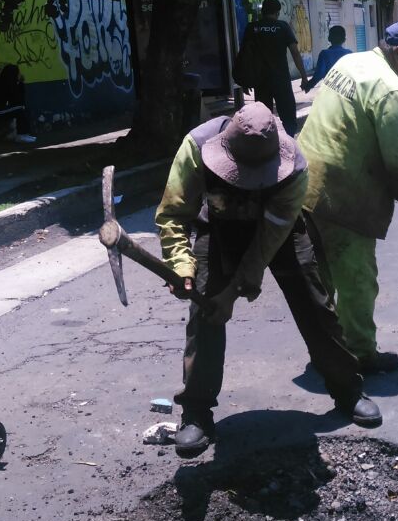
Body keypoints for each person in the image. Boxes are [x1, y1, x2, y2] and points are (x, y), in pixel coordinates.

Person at [155, 102, 382, 458]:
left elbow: (267, 240)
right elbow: (173, 213)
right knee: (206, 310)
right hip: (219, 225)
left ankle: (348, 389)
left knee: (315, 303)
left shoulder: (295, 168)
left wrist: (236, 288)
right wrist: (182, 266)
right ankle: (196, 411)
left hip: (279, 230)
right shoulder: (196, 147)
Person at [296, 22, 398, 375]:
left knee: (322, 276)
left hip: (305, 183)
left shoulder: (351, 62)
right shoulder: (390, 92)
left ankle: (326, 349)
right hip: (344, 196)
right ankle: (360, 354)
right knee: (356, 280)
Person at [241, 0, 308, 136]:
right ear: (277, 12)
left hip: (260, 81)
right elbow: (295, 53)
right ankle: (289, 142)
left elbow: (245, 55)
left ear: (262, 11)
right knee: (288, 118)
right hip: (281, 80)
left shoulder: (252, 28)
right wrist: (303, 76)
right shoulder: (283, 27)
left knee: (262, 119)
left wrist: (244, 80)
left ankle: (267, 144)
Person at [0, 64, 37, 144]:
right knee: (20, 109)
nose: (19, 75)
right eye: (17, 73)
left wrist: (19, 84)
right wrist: (21, 83)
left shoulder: (6, 82)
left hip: (1, 108)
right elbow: (17, 100)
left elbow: (17, 101)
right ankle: (20, 135)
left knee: (23, 109)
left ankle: (25, 134)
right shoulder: (2, 83)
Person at [302, 26, 352, 93]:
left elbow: (319, 75)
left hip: (331, 91)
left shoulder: (324, 54)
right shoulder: (349, 53)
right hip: (347, 91)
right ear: (344, 40)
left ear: (329, 38)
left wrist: (308, 85)